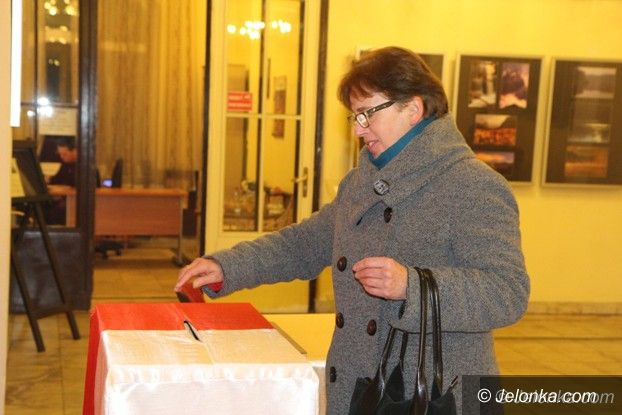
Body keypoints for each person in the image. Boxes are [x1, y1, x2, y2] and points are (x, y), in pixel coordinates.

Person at [176, 46, 529, 414]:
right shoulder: (362, 182)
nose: (358, 129)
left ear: (413, 109)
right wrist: (227, 267)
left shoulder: (472, 184)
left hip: (434, 396)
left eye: (367, 113)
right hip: (359, 386)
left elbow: (507, 292)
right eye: (355, 116)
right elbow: (304, 244)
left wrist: (411, 286)